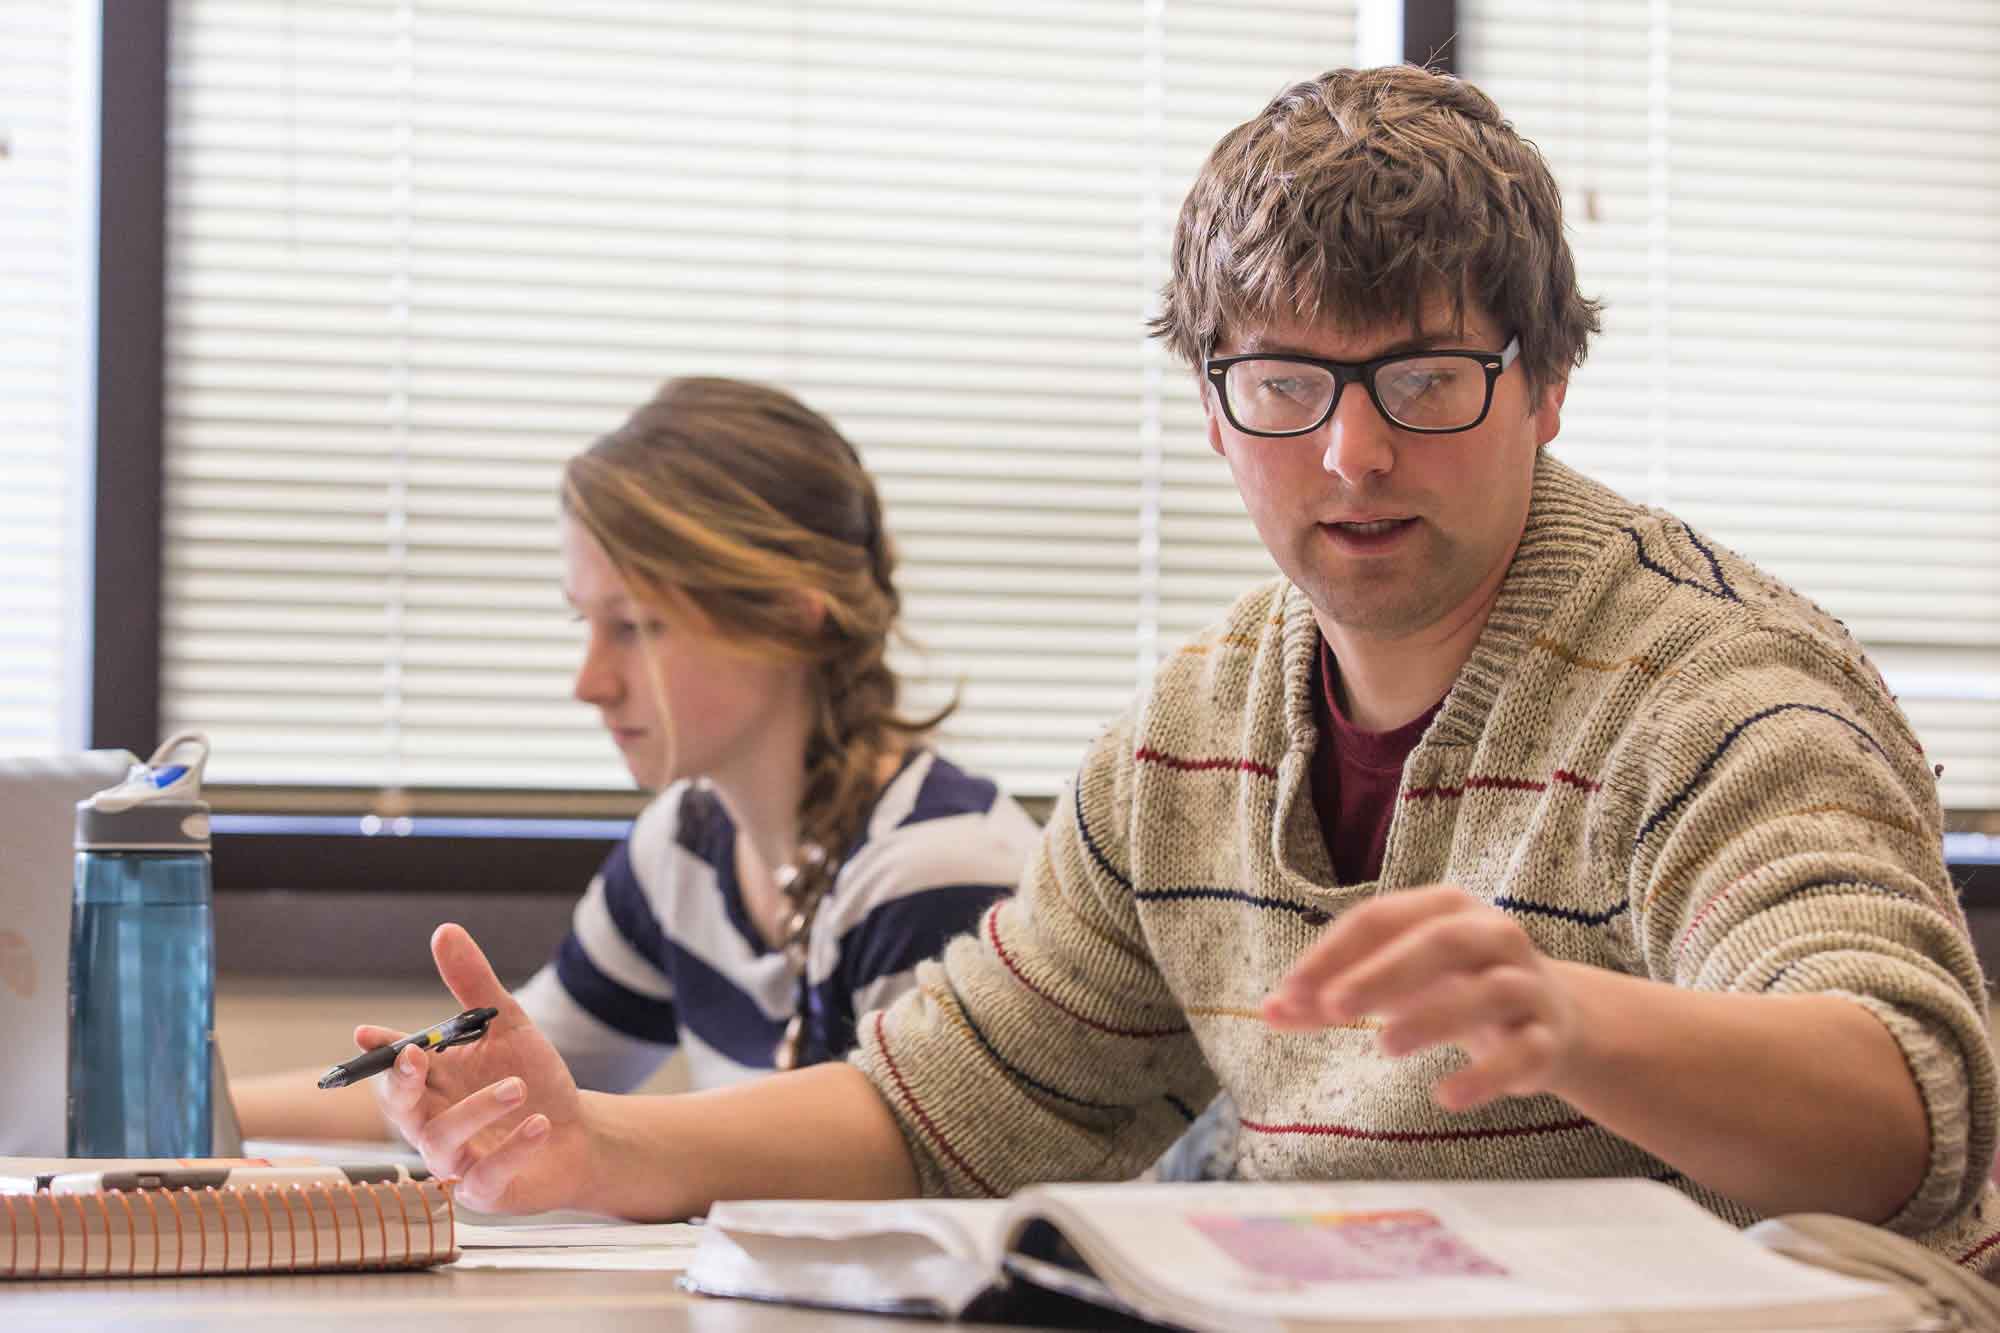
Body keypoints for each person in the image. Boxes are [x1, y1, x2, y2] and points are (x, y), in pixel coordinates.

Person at [348, 66, 2000, 1276]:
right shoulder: (1189, 738)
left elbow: (1905, 1110)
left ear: (1546, 382)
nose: (1352, 453)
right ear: (1214, 407)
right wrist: (600, 1144)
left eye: (1425, 377)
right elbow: (952, 1108)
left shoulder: (1718, 687)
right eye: (1286, 380)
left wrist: (1571, 1021)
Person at [234, 377, 1041, 1139]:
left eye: (633, 625)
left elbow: (910, 1187)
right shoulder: (686, 846)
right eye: (585, 622)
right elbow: (489, 1089)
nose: (590, 683)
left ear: (794, 620)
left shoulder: (940, 873)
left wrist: (587, 1140)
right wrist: (192, 1113)